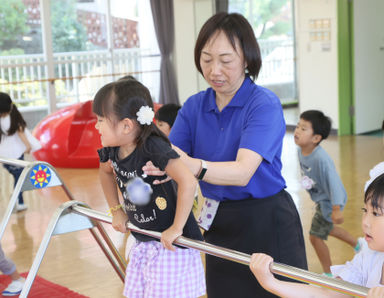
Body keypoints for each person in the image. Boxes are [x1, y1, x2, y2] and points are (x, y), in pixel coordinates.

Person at [143, 12, 307, 297]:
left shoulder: (263, 104)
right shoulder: (195, 106)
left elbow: (243, 172)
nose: (214, 70)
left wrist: (190, 166)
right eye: (206, 59)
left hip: (267, 219)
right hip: (219, 218)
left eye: (225, 60)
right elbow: (170, 155)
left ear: (247, 60)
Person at [92, 79, 206, 298]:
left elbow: (188, 181)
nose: (96, 126)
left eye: (100, 120)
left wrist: (176, 227)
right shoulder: (113, 149)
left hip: (170, 246)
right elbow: (105, 172)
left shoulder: (154, 147)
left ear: (126, 125)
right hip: (143, 238)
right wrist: (116, 210)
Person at [250, 173, 384, 298]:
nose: (365, 222)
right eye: (365, 210)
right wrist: (271, 283)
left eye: (376, 214)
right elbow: (325, 294)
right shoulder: (368, 257)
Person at [294, 110, 361, 275]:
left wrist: (336, 209)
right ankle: (359, 245)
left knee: (315, 237)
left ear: (316, 138)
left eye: (303, 129)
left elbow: (335, 184)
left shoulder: (321, 159)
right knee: (328, 229)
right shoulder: (301, 151)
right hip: (322, 199)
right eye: (298, 126)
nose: (297, 131)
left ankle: (328, 273)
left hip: (330, 201)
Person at [0, 92, 40, 212]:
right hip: (7, 155)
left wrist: (28, 146)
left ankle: (18, 200)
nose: (3, 115)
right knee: (20, 176)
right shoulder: (11, 114)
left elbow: (21, 132)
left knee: (20, 176)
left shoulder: (14, 114)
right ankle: (18, 199)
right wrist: (27, 146)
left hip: (15, 153)